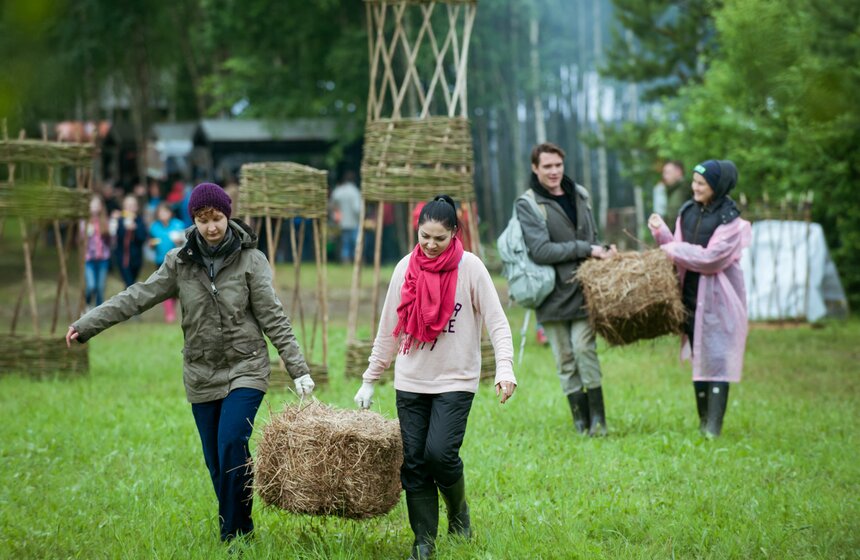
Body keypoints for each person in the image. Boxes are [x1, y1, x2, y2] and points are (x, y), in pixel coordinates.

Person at [65, 182, 315, 542]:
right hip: (201, 372)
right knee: (217, 461)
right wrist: (86, 324)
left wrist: (299, 369)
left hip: (246, 367)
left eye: (217, 218)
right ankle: (242, 527)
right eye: (202, 219)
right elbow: (138, 297)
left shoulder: (250, 260)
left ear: (227, 215)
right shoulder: (179, 262)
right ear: (193, 220)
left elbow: (273, 317)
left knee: (232, 442)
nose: (211, 227)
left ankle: (232, 537)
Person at [353, 195, 516, 560]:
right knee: (413, 463)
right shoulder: (405, 269)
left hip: (456, 380)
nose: (429, 245)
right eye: (424, 236)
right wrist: (369, 377)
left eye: (438, 238)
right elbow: (388, 330)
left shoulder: (471, 269)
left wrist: (505, 368)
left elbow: (497, 322)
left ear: (455, 234)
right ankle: (423, 542)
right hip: (410, 381)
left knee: (439, 455)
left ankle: (458, 511)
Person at [517, 142, 615, 436]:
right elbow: (540, 251)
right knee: (565, 359)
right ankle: (580, 421)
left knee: (585, 349)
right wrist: (587, 249)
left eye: (558, 165)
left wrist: (602, 253)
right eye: (547, 166)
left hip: (585, 290)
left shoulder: (580, 194)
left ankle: (599, 419)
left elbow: (592, 234)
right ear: (535, 168)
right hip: (551, 294)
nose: (554, 171)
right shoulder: (529, 203)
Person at [648, 160, 751, 438]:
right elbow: (676, 248)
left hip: (719, 301)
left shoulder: (731, 220)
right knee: (699, 358)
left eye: (701, 184)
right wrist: (661, 232)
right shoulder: (687, 211)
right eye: (693, 182)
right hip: (691, 297)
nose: (694, 187)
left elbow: (710, 259)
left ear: (717, 187)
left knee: (718, 360)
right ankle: (703, 421)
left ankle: (713, 428)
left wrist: (672, 246)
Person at [148, 202, 186, 322]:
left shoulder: (178, 224)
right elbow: (151, 244)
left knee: (176, 286)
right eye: (160, 212)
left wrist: (179, 241)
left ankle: (174, 311)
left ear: (170, 212)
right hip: (161, 261)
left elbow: (184, 242)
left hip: (177, 259)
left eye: (165, 211)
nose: (163, 214)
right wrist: (151, 244)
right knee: (165, 286)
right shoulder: (154, 227)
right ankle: (169, 314)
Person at [82, 194, 113, 309]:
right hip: (89, 259)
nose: (95, 207)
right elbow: (80, 241)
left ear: (101, 207)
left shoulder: (105, 221)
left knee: (100, 287)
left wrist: (110, 233)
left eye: (97, 204)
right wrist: (85, 234)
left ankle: (98, 311)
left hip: (103, 259)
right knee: (91, 286)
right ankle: (87, 304)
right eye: (92, 204)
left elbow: (110, 242)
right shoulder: (84, 222)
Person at [113, 194, 148, 288]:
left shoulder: (140, 221)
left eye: (132, 205)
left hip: (136, 259)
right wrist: (124, 228)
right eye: (127, 205)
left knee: (131, 284)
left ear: (136, 207)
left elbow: (142, 238)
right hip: (123, 259)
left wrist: (135, 229)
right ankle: (128, 301)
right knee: (129, 284)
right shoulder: (120, 220)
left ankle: (126, 301)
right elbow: (118, 236)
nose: (130, 208)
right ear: (124, 207)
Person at [330, 171, 362, 263]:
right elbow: (357, 209)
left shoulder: (339, 191)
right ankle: (356, 260)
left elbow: (333, 204)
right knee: (355, 243)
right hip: (353, 222)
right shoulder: (355, 191)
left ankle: (345, 260)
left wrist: (336, 216)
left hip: (342, 222)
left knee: (345, 243)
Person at [653, 160, 687, 226]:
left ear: (678, 171)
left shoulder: (686, 189)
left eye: (667, 173)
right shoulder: (672, 190)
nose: (664, 176)